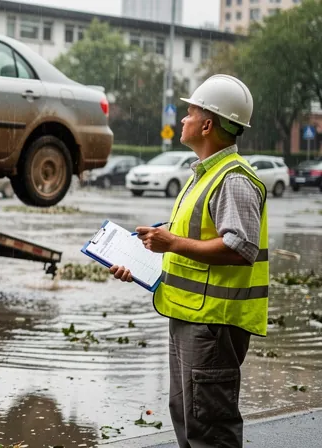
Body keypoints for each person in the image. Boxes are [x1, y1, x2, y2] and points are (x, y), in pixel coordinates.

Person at [110, 74, 269, 448]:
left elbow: (239, 248)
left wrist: (172, 242)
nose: (182, 119)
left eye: (189, 112)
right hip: (189, 316)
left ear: (208, 123)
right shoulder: (204, 175)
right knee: (188, 419)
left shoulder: (233, 179)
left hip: (213, 324)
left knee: (209, 430)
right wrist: (139, 260)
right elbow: (186, 243)